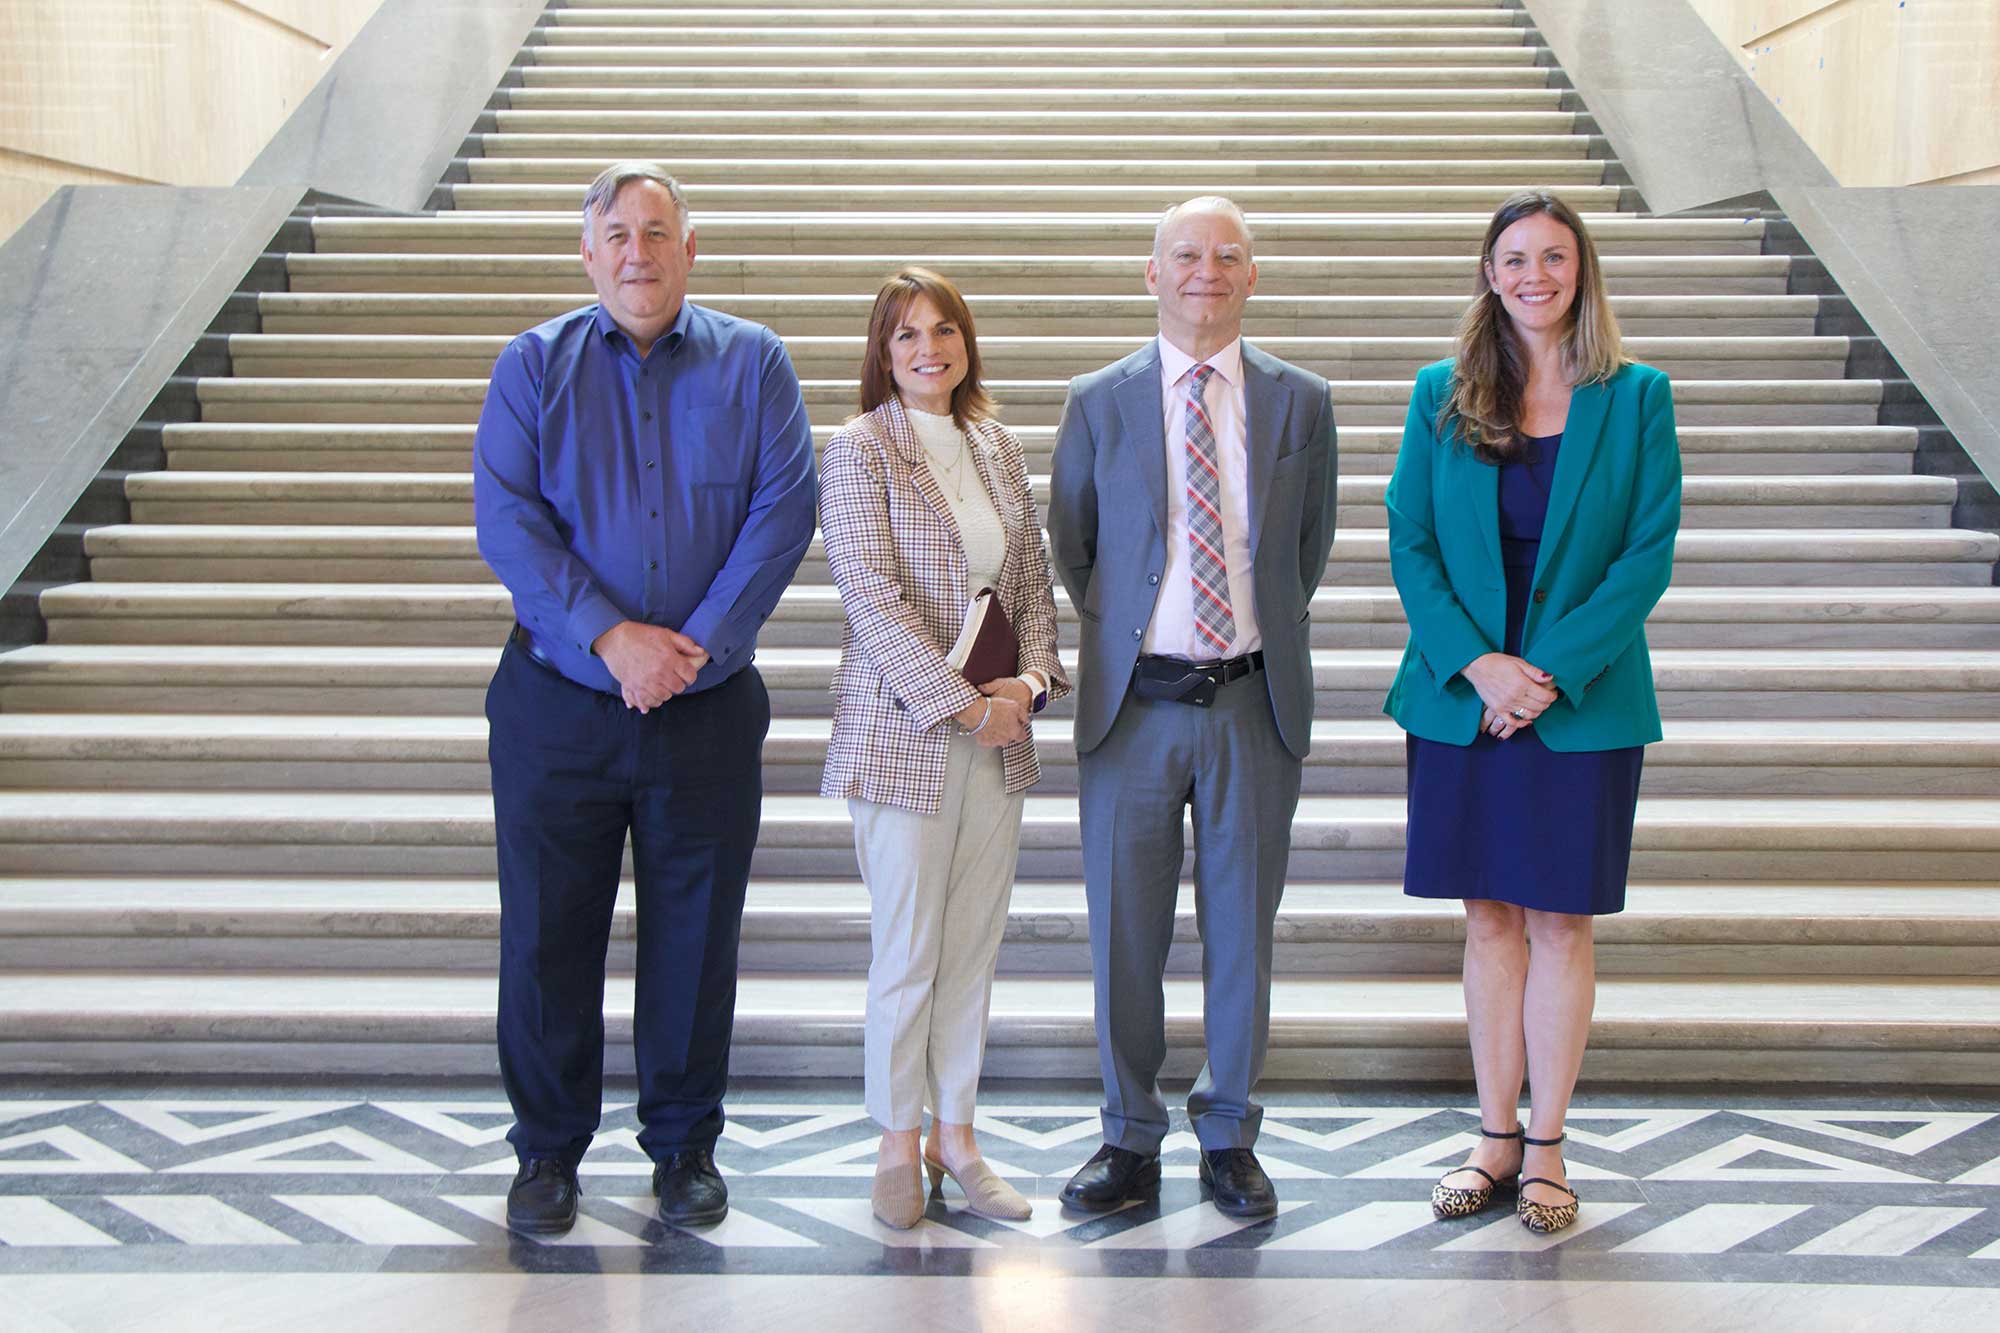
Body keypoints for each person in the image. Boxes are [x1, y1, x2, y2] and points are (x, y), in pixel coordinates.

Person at [472, 162, 816, 1234]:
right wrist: (614, 639)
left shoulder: (756, 364)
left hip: (705, 709)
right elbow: (508, 520)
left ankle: (683, 1148)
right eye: (615, 234)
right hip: (557, 703)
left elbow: (781, 511)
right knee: (544, 937)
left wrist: (690, 648)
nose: (636, 252)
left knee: (696, 935)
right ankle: (546, 1154)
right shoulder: (532, 367)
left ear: (688, 247)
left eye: (655, 232)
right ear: (587, 254)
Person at [1384, 190, 1682, 1234]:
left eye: (1553, 257)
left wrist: (1542, 671)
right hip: (1462, 701)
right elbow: (1408, 542)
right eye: (1513, 258)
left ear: (1580, 271)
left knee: (1559, 921)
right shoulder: (1438, 393)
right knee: (1487, 919)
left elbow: (1645, 555)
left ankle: (1548, 1145)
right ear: (1487, 272)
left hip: (1577, 702)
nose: (1532, 275)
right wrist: (1478, 664)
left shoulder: (1635, 395)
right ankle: (1491, 1136)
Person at [1047, 197, 1338, 1220]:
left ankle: (1227, 1132)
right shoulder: (1096, 400)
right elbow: (1072, 547)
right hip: (1135, 710)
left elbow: (1305, 551)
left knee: (1240, 934)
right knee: (1125, 933)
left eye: (1226, 256)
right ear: (1150, 272)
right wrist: (1141, 634)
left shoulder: (1301, 402)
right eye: (1185, 255)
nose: (1204, 272)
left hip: (1252, 706)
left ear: (1250, 275)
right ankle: (1127, 1136)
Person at [819, 268, 1069, 1229]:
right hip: (904, 739)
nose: (930, 349)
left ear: (967, 344)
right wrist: (963, 705)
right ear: (883, 353)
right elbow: (871, 603)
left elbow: (1033, 587)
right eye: (908, 335)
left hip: (997, 738)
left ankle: (956, 1136)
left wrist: (1034, 684)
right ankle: (895, 1138)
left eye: (946, 331)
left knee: (971, 947)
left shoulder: (997, 446)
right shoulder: (859, 450)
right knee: (909, 946)